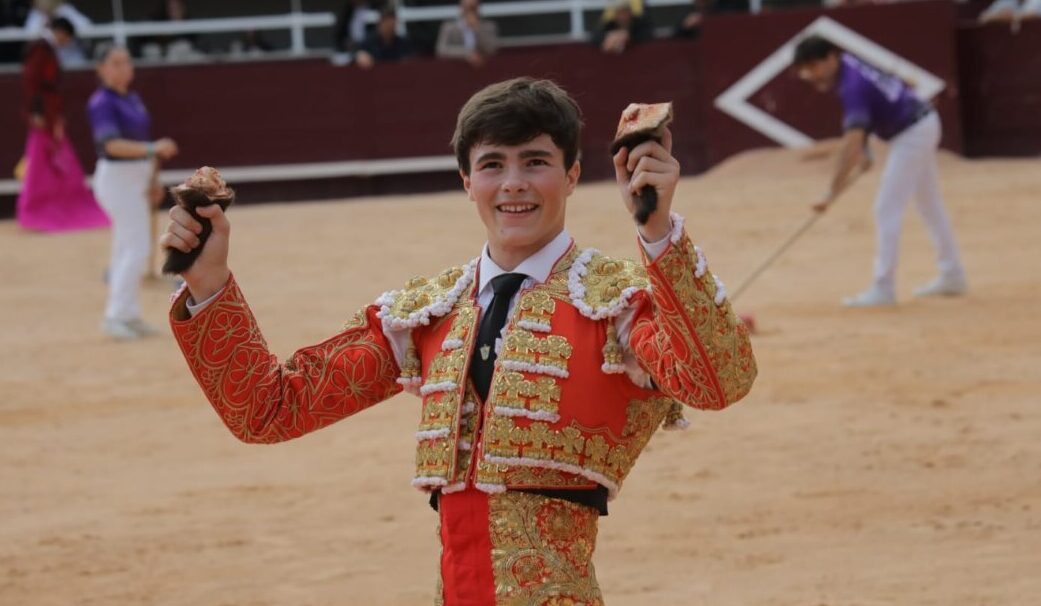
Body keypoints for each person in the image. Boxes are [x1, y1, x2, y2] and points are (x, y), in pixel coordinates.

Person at [161, 77, 757, 603]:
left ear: (572, 175)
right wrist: (209, 283)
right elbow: (269, 409)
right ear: (466, 181)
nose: (514, 184)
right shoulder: (429, 311)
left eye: (536, 162)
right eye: (493, 164)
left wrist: (657, 235)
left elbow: (717, 381)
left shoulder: (617, 305)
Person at [793, 35, 967, 307]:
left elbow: (851, 143)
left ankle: (884, 287)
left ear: (831, 58)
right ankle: (953, 273)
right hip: (919, 123)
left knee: (887, 208)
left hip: (912, 133)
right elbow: (872, 110)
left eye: (814, 66)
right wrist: (866, 149)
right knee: (929, 205)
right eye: (806, 68)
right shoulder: (849, 65)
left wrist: (832, 192)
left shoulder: (851, 86)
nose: (811, 74)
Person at [88, 46, 179, 340]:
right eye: (115, 63)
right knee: (136, 246)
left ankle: (127, 314)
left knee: (126, 246)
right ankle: (116, 315)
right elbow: (112, 145)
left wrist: (152, 179)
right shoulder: (102, 102)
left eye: (126, 62)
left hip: (135, 178)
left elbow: (142, 145)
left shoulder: (132, 99)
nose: (124, 68)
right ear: (102, 68)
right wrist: (153, 150)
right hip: (117, 179)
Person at [15, 17, 107, 233]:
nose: (67, 42)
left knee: (45, 160)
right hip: (44, 113)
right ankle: (39, 209)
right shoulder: (41, 48)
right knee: (43, 160)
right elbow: (32, 81)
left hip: (49, 112)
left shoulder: (44, 48)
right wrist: (38, 111)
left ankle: (45, 207)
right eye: (67, 37)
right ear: (60, 32)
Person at [435, 0, 498, 67]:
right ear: (461, 8)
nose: (469, 11)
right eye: (467, 7)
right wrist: (467, 53)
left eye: (472, 8)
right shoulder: (449, 27)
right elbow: (441, 50)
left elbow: (491, 49)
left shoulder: (489, 26)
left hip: (483, 69)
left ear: (478, 8)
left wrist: (477, 29)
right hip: (455, 69)